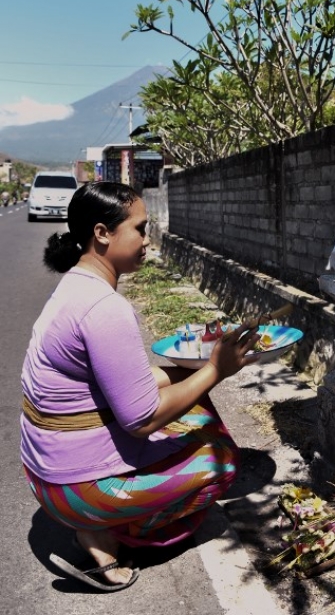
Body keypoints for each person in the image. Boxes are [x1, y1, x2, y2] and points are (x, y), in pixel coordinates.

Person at [20, 181, 261, 592]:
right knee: (220, 461)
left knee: (192, 398)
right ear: (102, 233)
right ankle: (111, 530)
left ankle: (99, 520)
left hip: (44, 475)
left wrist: (191, 372)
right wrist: (216, 370)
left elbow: (121, 381)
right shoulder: (105, 308)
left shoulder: (75, 287)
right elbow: (142, 418)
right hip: (76, 492)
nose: (148, 240)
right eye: (141, 229)